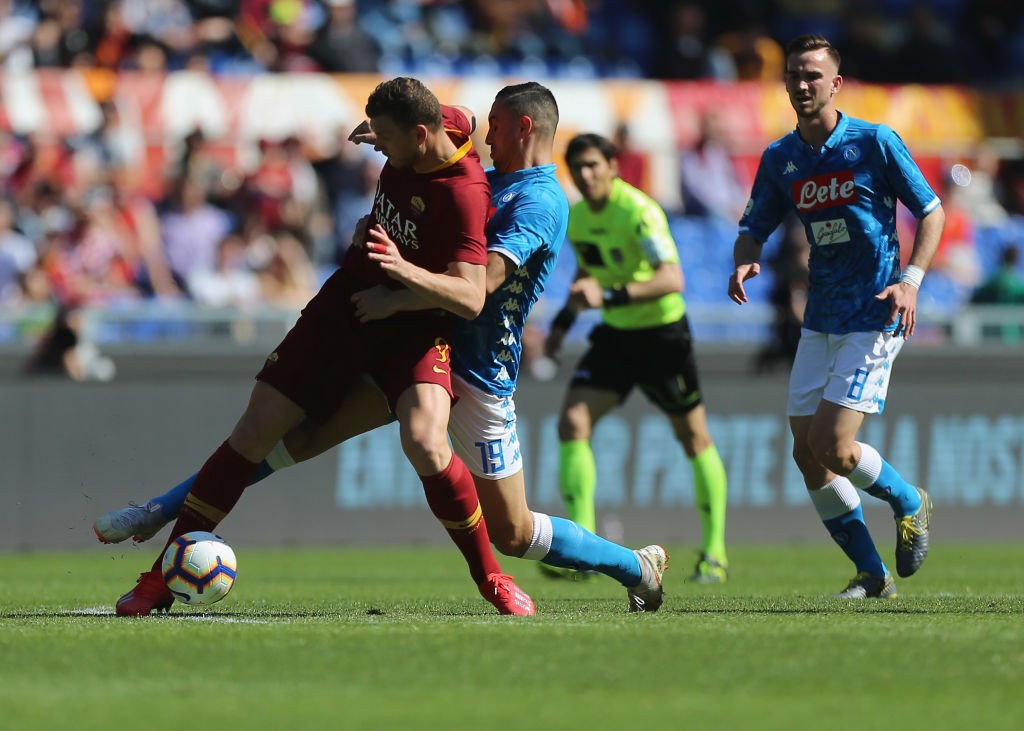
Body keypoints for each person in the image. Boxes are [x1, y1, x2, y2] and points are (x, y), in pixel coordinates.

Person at [96, 82, 669, 613]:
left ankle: (634, 566)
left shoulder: (539, 202)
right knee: (297, 436)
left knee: (514, 533)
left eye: (496, 126)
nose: (484, 133)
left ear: (522, 127)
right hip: (416, 346)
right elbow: (453, 118)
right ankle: (160, 514)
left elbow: (480, 287)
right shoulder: (470, 148)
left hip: (477, 368)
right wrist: (393, 132)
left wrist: (395, 290)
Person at [728, 34, 941, 599]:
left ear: (836, 83)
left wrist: (911, 282)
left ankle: (908, 500)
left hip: (874, 312)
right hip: (820, 317)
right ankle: (873, 575)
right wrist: (745, 260)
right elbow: (753, 226)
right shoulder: (781, 158)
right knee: (808, 455)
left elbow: (932, 211)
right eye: (794, 75)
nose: (802, 85)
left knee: (835, 445)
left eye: (813, 76)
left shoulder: (875, 142)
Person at [543, 132, 729, 584]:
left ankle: (715, 553)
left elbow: (672, 279)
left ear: (612, 166)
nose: (585, 176)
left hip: (662, 335)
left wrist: (606, 295)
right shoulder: (580, 218)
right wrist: (563, 324)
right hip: (617, 335)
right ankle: (582, 551)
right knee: (572, 421)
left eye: (593, 166)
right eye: (577, 168)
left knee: (693, 437)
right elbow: (588, 273)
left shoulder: (640, 211)